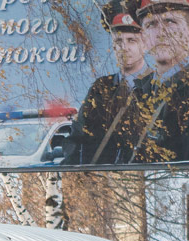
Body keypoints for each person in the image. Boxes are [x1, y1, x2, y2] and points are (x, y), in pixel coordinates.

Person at [130, 0, 189, 163]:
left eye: (170, 21)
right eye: (151, 24)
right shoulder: (136, 94)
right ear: (143, 38)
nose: (161, 33)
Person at [62, 1, 151, 165]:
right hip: (99, 181)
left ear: (145, 44)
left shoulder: (160, 86)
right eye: (118, 41)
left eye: (132, 40)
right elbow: (77, 137)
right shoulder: (101, 88)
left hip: (142, 179)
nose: (124, 47)